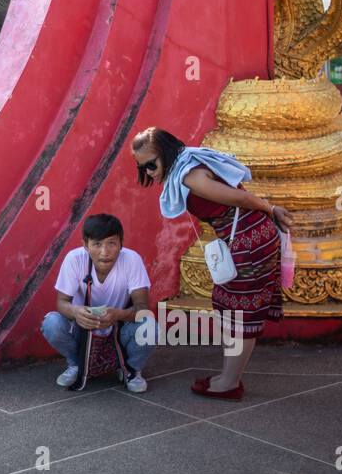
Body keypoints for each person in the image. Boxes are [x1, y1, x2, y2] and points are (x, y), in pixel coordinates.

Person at [130, 127, 292, 400]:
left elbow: (240, 198)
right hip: (247, 239)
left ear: (166, 153)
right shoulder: (190, 161)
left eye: (151, 164)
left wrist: (271, 208)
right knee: (231, 306)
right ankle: (229, 377)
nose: (148, 172)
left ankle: (229, 382)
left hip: (249, 243)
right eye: (142, 167)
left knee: (240, 312)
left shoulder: (191, 176)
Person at [40, 214, 153, 393]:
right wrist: (77, 312)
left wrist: (118, 314)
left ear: (121, 244)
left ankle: (131, 370)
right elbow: (62, 303)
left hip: (118, 328)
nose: (104, 252)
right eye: (97, 244)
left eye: (111, 243)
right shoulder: (74, 259)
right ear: (86, 245)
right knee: (51, 323)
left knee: (150, 326)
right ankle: (76, 364)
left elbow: (143, 308)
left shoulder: (131, 260)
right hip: (82, 328)